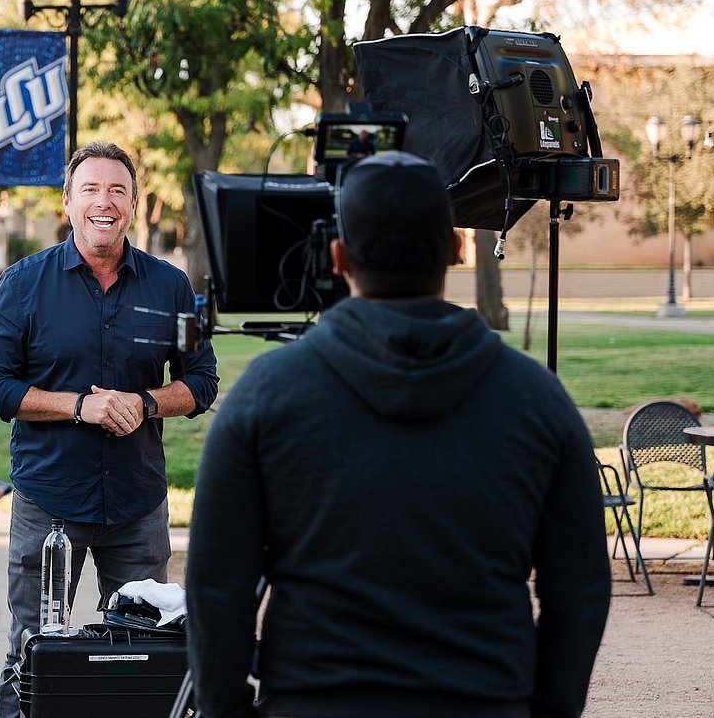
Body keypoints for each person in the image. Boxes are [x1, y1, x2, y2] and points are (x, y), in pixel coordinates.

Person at [185, 152, 611, 718]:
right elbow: (580, 590)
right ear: (458, 249)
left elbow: (216, 587)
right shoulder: (538, 400)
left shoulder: (266, 395)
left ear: (339, 258)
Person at [0, 140, 219, 717]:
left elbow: (201, 379)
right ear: (67, 201)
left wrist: (146, 401)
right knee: (32, 654)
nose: (103, 203)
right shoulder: (22, 284)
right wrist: (79, 407)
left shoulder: (171, 289)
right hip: (49, 507)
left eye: (117, 191)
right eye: (91, 189)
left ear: (134, 204)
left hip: (137, 509)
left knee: (146, 656)